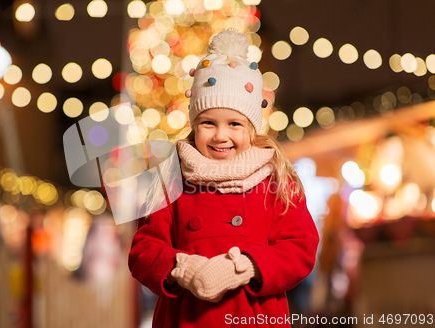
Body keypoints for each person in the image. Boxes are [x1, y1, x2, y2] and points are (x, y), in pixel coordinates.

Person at [128, 28, 319, 328]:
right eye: (208, 123)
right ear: (194, 124)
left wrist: (246, 266)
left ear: (252, 128)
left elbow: (300, 247)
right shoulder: (172, 179)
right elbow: (143, 250)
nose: (221, 136)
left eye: (234, 124)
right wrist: (183, 268)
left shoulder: (275, 179)